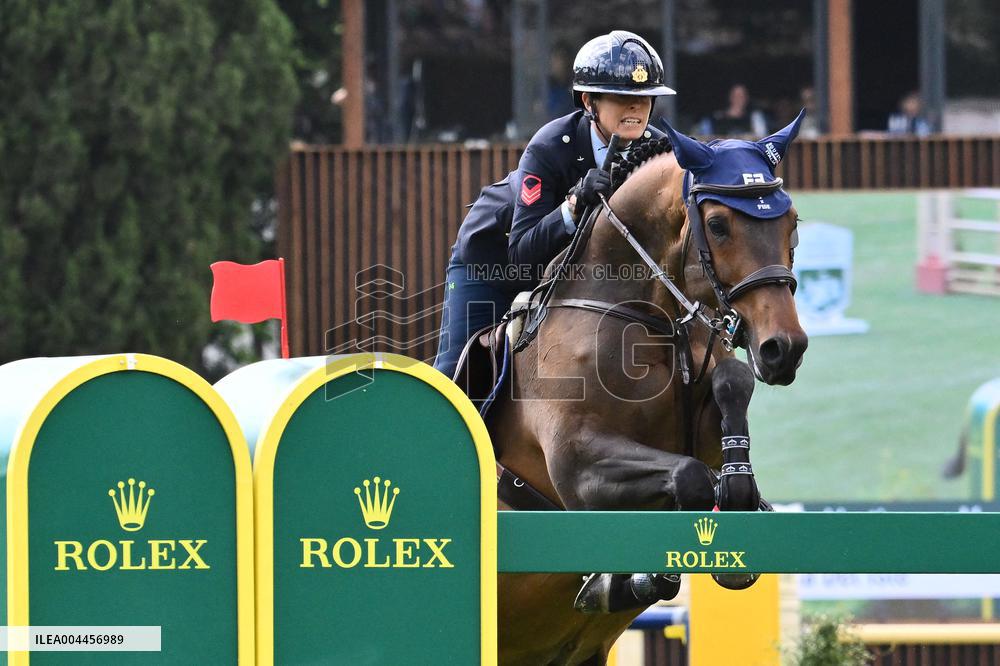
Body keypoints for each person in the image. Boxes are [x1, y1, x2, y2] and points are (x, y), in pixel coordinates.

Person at [432, 30, 676, 378]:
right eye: (621, 97)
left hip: (572, 273)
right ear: (589, 101)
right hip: (495, 265)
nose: (637, 107)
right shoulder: (550, 145)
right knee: (460, 376)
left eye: (646, 97)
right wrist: (573, 205)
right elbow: (523, 253)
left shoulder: (657, 150)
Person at [698, 84, 768, 137]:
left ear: (747, 98)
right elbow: (704, 140)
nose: (739, 99)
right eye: (736, 96)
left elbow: (761, 139)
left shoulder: (755, 117)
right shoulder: (715, 118)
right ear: (730, 97)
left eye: (742, 96)